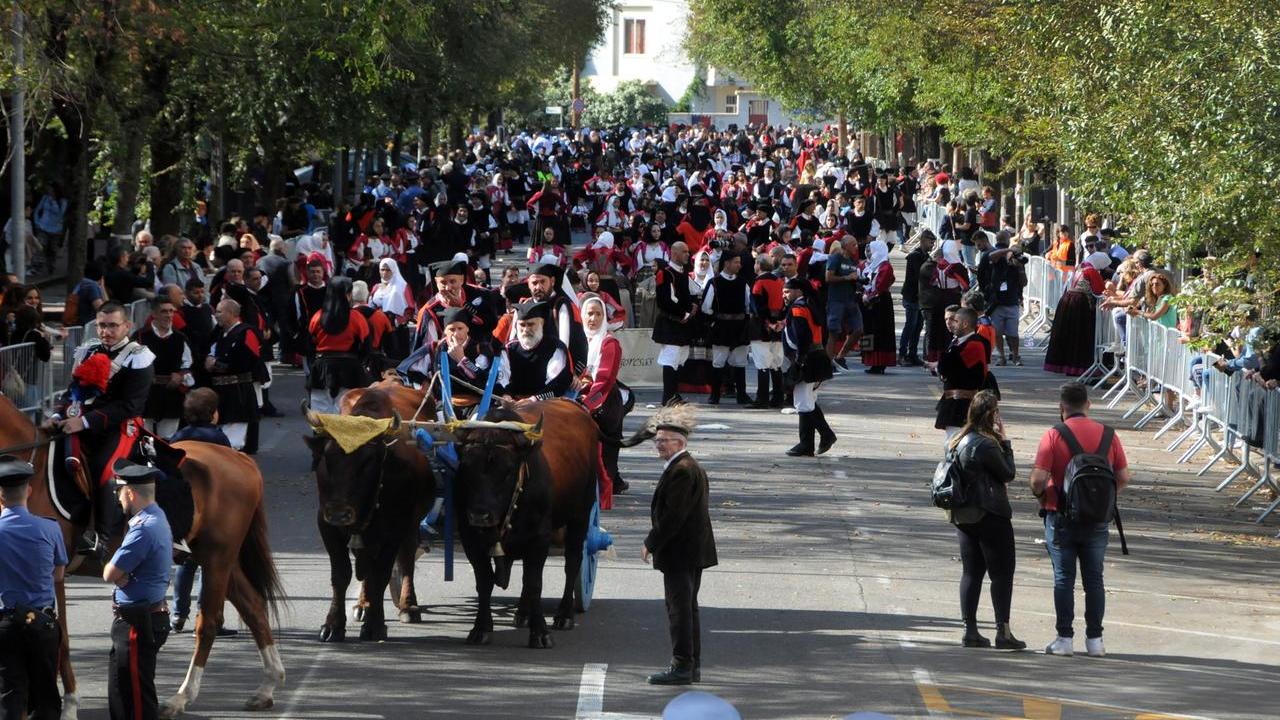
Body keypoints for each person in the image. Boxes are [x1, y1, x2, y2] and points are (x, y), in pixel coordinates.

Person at [1030, 383, 1130, 658]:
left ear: (1061, 408)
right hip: (1098, 519)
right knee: (1094, 580)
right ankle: (1095, 640)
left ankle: (1064, 638)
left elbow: (1038, 478)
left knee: (1064, 579)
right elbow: (1123, 477)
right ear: (1088, 405)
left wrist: (1041, 496)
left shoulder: (1053, 435)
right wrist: (1101, 499)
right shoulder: (1109, 435)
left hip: (1060, 515)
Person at [54, 302, 156, 558]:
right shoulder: (88, 350)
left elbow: (131, 405)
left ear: (126, 326)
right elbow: (72, 391)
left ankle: (101, 536)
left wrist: (85, 422)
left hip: (121, 427)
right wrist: (57, 414)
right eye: (102, 325)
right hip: (82, 421)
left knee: (103, 468)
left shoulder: (138, 355)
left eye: (112, 326)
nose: (106, 331)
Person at [642, 406, 717, 686]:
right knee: (687, 608)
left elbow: (674, 516)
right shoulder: (684, 466)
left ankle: (682, 666)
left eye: (664, 440)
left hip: (681, 552)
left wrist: (650, 542)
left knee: (679, 610)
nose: (658, 444)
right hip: (690, 551)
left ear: (679, 444)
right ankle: (690, 666)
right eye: (657, 440)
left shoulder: (682, 471)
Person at [944, 392, 1024, 650]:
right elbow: (1008, 473)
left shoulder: (956, 440)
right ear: (992, 416)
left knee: (971, 572)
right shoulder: (987, 444)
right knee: (1002, 573)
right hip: (990, 513)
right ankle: (1004, 631)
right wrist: (1006, 441)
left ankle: (970, 630)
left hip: (964, 515)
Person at [102, 459, 173, 720]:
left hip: (137, 622)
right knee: (120, 690)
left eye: (119, 493)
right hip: (138, 617)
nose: (119, 499)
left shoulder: (143, 529)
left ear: (130, 492)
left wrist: (118, 574)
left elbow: (109, 573)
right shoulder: (157, 516)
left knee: (137, 699)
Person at [0, 456, 67, 720]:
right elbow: (59, 575)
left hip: (5, 623)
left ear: (0, 495)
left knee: (9, 695)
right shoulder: (50, 527)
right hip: (41, 622)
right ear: (28, 491)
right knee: (46, 697)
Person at [166, 389, 235, 636]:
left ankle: (177, 614)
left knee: (186, 562)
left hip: (183, 510)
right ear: (214, 414)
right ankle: (206, 614)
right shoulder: (219, 439)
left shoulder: (178, 437)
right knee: (210, 563)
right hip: (212, 509)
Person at [578, 294, 630, 501]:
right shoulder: (576, 339)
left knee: (605, 452)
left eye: (598, 314)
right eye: (589, 314)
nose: (593, 319)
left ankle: (603, 496)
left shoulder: (609, 343)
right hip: (577, 401)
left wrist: (587, 404)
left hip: (604, 404)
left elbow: (606, 379)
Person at [782, 277, 837, 456]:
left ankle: (809, 443)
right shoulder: (810, 305)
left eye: (787, 291)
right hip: (816, 358)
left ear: (799, 291)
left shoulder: (798, 309)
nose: (784, 295)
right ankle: (822, 438)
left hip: (808, 360)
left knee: (803, 402)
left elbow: (802, 337)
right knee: (809, 400)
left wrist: (799, 361)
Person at [134, 294, 195, 438]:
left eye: (171, 311)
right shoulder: (141, 337)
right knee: (144, 436)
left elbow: (189, 364)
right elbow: (129, 364)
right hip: (147, 395)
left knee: (169, 437)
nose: (169, 315)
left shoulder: (180, 338)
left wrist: (180, 376)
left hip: (171, 394)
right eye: (164, 311)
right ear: (154, 314)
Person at [307, 277, 370, 414]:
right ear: (347, 295)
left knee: (320, 415)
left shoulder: (317, 317)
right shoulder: (357, 318)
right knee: (345, 413)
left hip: (321, 369)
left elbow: (309, 345)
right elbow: (366, 347)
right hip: (350, 371)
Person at [205, 299, 260, 450]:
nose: (216, 315)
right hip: (221, 392)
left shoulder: (246, 332)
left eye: (219, 312)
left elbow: (247, 362)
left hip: (238, 392)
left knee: (233, 439)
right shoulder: (220, 333)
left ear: (231, 313)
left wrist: (216, 364)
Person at [1043, 252, 1108, 376]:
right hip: (1080, 303)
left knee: (1069, 335)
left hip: (1068, 300)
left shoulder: (1081, 268)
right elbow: (1100, 290)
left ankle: (1067, 366)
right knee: (1079, 336)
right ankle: (1078, 367)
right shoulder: (1091, 271)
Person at [700, 253, 752, 404]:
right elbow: (706, 307)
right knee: (718, 361)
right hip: (721, 328)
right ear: (726, 263)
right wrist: (714, 322)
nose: (739, 265)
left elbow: (749, 306)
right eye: (736, 262)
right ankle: (715, 395)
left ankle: (741, 394)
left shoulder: (743, 283)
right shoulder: (714, 283)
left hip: (739, 328)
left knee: (740, 362)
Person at [931, 306, 987, 442]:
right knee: (953, 441)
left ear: (965, 324)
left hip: (963, 404)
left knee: (957, 443)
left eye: (955, 321)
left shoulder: (974, 344)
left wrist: (940, 367)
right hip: (955, 401)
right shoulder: (958, 341)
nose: (951, 324)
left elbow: (948, 367)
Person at [497, 300, 571, 400]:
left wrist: (534, 399)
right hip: (513, 403)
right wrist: (505, 395)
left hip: (545, 403)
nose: (526, 330)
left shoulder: (555, 348)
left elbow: (557, 384)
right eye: (522, 325)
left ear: (541, 323)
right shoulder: (508, 350)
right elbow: (501, 379)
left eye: (530, 324)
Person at [653, 242, 695, 406]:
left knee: (680, 358)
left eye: (688, 251)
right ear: (674, 253)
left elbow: (685, 295)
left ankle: (674, 394)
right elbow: (665, 300)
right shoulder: (666, 273)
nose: (687, 254)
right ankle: (668, 397)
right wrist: (682, 313)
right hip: (671, 321)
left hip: (683, 322)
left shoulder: (683, 272)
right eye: (684, 251)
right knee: (670, 358)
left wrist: (691, 306)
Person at [748, 255, 786, 408]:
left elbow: (758, 307)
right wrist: (777, 322)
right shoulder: (779, 281)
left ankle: (762, 398)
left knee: (762, 362)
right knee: (776, 362)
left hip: (761, 327)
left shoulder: (758, 282)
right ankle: (778, 397)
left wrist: (768, 322)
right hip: (777, 326)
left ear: (759, 265)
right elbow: (783, 303)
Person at [823, 237, 863, 371]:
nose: (856, 247)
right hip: (836, 300)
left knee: (858, 329)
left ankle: (840, 356)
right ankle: (828, 364)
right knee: (833, 332)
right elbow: (828, 277)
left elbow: (853, 278)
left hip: (851, 300)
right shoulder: (836, 258)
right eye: (853, 244)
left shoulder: (852, 261)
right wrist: (846, 278)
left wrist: (859, 283)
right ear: (845, 246)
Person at [859, 239, 897, 374]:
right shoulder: (868, 265)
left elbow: (881, 285)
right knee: (868, 330)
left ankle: (880, 362)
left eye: (871, 250)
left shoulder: (885, 266)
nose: (868, 253)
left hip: (880, 303)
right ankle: (870, 360)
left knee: (880, 332)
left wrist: (869, 297)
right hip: (867, 302)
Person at [899, 230, 934, 366]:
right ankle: (902, 354)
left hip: (921, 297)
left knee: (918, 326)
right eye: (930, 242)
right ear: (923, 240)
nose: (932, 245)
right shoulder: (915, 256)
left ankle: (912, 354)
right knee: (910, 325)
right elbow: (918, 276)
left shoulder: (926, 256)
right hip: (912, 295)